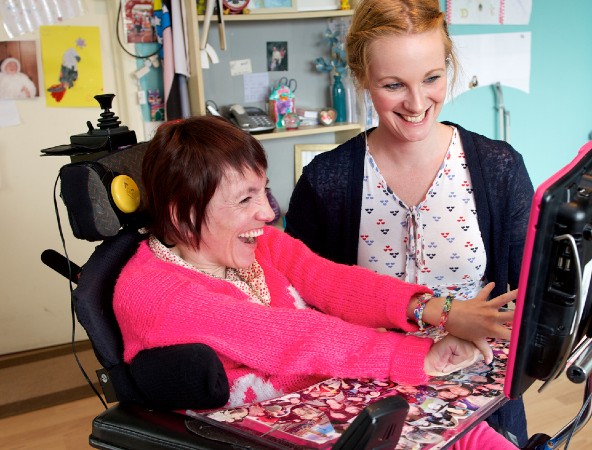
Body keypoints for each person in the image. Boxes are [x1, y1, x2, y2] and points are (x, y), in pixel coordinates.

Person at [112, 116, 518, 449]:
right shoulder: (155, 292)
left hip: (334, 399)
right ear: (183, 217)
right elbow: (287, 336)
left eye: (264, 192)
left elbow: (334, 282)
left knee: (471, 434)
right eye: (244, 200)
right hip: (271, 433)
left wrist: (437, 310)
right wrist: (420, 357)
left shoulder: (260, 245)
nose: (267, 213)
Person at [284, 0, 534, 445]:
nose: (417, 103)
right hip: (368, 405)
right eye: (393, 84)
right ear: (362, 78)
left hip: (478, 406)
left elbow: (524, 304)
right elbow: (299, 311)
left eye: (432, 79)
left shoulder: (499, 170)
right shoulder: (327, 182)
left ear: (448, 66)